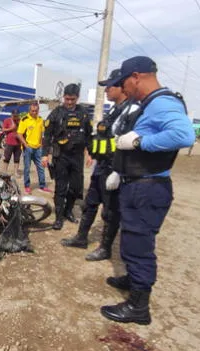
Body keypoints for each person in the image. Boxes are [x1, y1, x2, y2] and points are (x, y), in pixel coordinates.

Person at [98, 56, 195, 325]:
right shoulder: (148, 104)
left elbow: (184, 135)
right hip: (138, 184)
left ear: (137, 76)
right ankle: (133, 279)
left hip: (148, 189)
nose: (123, 89)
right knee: (131, 241)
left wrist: (141, 141)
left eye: (124, 82)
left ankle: (139, 308)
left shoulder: (162, 102)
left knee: (139, 246)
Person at [61, 70, 139, 260]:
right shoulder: (113, 109)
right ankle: (81, 237)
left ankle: (105, 247)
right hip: (102, 166)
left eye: (109, 86)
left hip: (115, 168)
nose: (105, 90)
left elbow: (131, 144)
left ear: (121, 86)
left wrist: (119, 172)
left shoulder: (133, 110)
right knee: (90, 204)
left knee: (110, 210)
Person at [42, 84, 93, 230]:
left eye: (73, 99)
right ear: (63, 97)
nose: (69, 102)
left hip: (77, 157)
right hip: (61, 156)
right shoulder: (56, 113)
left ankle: (68, 211)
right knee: (61, 188)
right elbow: (47, 136)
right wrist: (45, 155)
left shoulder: (83, 113)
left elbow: (89, 135)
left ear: (77, 98)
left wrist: (90, 153)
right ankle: (58, 218)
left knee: (76, 188)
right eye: (67, 99)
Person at [16, 103, 51, 195]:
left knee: (41, 167)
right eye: (32, 111)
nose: (34, 112)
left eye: (36, 111)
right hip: (28, 148)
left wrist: (42, 145)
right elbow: (19, 134)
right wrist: (25, 145)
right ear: (29, 110)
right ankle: (27, 186)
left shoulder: (40, 120)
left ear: (38, 110)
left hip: (38, 148)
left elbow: (42, 134)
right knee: (27, 168)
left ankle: (42, 186)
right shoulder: (24, 120)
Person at [2, 109, 22, 175]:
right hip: (9, 143)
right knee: (7, 157)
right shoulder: (7, 120)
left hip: (18, 143)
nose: (16, 117)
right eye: (14, 116)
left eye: (17, 115)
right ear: (12, 115)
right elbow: (3, 130)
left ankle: (16, 172)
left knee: (17, 158)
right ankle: (4, 171)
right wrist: (11, 128)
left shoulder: (20, 121)